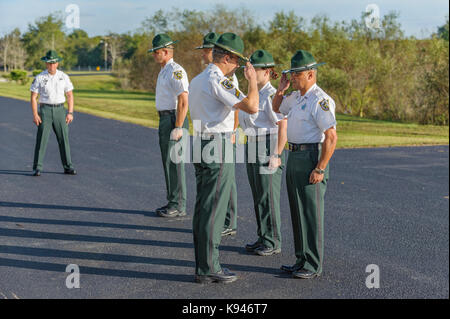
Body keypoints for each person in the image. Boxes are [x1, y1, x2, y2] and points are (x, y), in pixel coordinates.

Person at [189, 32, 259, 284]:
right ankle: (209, 267)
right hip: (216, 145)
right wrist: (251, 81)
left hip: (200, 141)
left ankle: (204, 264)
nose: (239, 66)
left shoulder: (198, 78)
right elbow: (252, 106)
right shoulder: (219, 79)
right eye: (237, 61)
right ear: (227, 57)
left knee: (204, 206)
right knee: (215, 207)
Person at [272, 50, 338, 279]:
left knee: (311, 213)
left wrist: (320, 168)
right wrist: (281, 88)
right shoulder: (296, 97)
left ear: (310, 74)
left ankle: (313, 264)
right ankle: (301, 259)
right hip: (295, 156)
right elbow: (276, 107)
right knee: (297, 211)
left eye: (296, 74)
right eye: (291, 74)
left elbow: (331, 136)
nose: (293, 78)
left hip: (311, 157)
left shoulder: (320, 100)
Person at [239, 49, 286, 256]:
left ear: (266, 72)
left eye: (253, 69)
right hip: (252, 143)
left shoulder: (270, 95)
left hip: (267, 144)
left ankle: (273, 241)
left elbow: (283, 126)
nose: (249, 72)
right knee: (258, 194)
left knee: (268, 196)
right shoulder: (253, 93)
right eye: (248, 68)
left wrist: (276, 155)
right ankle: (263, 236)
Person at [196, 32, 238, 237]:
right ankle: (209, 259)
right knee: (216, 193)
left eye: (206, 50)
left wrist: (234, 131)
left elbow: (238, 107)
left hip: (213, 138)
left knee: (217, 193)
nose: (204, 54)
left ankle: (228, 221)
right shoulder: (212, 77)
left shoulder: (224, 78)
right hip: (214, 139)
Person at [149, 34, 189, 218]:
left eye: (156, 52)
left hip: (174, 118)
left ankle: (178, 205)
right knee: (168, 161)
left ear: (166, 51)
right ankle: (173, 200)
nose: (154, 55)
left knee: (175, 162)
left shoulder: (175, 70)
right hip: (165, 119)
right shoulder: (164, 70)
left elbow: (183, 100)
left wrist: (179, 126)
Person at [30, 50, 76, 176]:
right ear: (46, 63)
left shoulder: (64, 77)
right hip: (45, 110)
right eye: (49, 63)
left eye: (54, 63)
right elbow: (34, 97)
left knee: (63, 139)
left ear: (57, 63)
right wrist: (35, 114)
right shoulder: (40, 77)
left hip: (60, 110)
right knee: (42, 139)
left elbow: (70, 95)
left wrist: (70, 112)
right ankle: (37, 167)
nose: (51, 65)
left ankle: (68, 166)